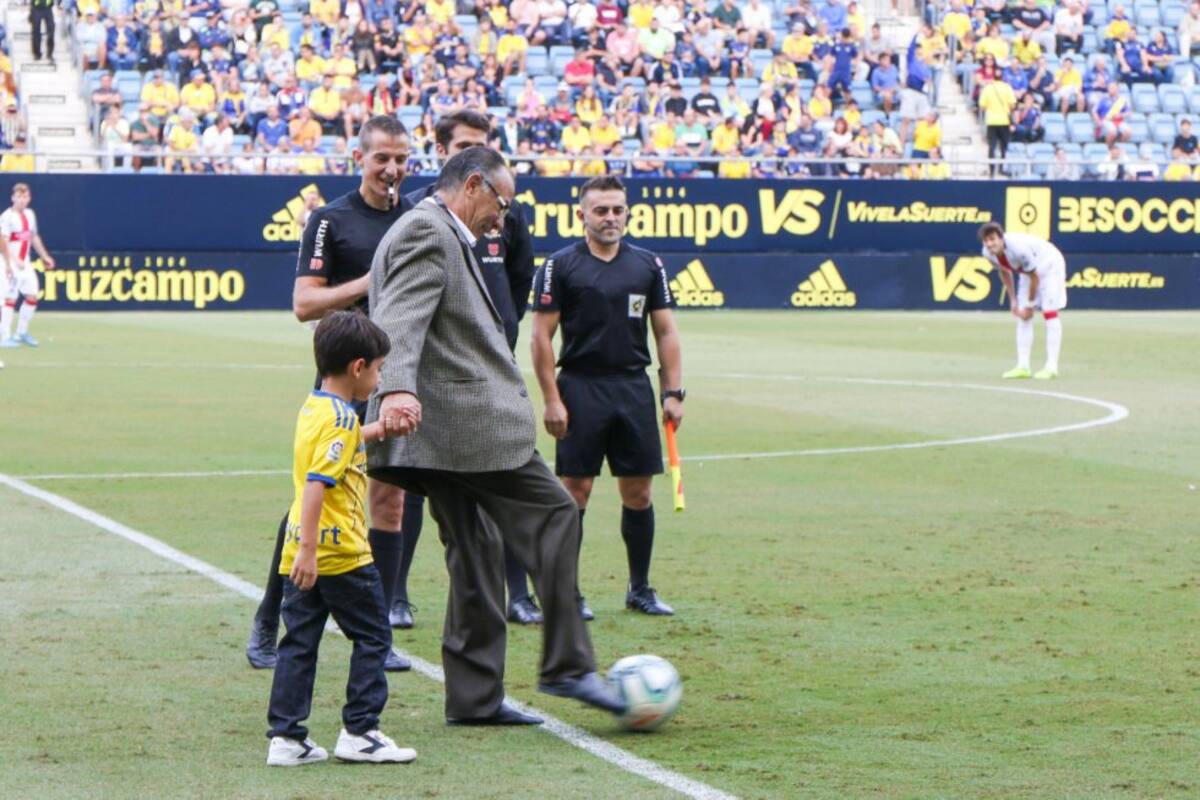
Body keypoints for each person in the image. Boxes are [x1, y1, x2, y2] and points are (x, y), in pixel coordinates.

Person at [367, 146, 625, 724]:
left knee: (477, 550)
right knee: (556, 512)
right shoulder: (428, 231)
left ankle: (474, 699)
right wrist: (396, 390)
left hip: (448, 433)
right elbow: (398, 321)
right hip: (466, 428)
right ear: (474, 185)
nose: (502, 220)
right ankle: (568, 666)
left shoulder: (440, 231)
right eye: (501, 205)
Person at [246, 116, 415, 673]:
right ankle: (269, 618)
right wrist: (371, 281)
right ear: (359, 158)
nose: (391, 169)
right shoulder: (329, 220)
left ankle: (378, 630)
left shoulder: (417, 218)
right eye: (381, 158)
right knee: (311, 498)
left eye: (400, 159)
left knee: (389, 502)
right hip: (344, 384)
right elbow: (304, 304)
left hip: (397, 375)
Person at [396, 109, 541, 628]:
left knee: (505, 476)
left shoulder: (508, 213)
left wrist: (500, 329)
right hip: (438, 371)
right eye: (462, 146)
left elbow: (520, 279)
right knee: (418, 482)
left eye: (483, 145)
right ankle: (397, 594)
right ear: (441, 151)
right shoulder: (417, 212)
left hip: (494, 366)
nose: (474, 154)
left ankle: (519, 593)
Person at [266, 310, 418, 767]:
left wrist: (381, 429)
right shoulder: (342, 420)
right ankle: (361, 731)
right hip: (339, 553)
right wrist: (312, 553)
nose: (380, 377)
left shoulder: (317, 407)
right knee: (374, 635)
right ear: (357, 367)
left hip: (300, 547)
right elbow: (317, 484)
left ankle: (286, 738)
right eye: (378, 368)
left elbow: (340, 443)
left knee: (299, 642)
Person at [530, 175, 684, 620]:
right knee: (575, 492)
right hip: (580, 387)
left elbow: (666, 331)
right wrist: (552, 399)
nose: (610, 218)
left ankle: (640, 589)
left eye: (618, 209)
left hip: (633, 388)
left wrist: (673, 392)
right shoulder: (560, 266)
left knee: (638, 492)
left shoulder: (648, 265)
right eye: (601, 210)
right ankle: (568, 592)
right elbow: (540, 338)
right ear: (582, 215)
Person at [978, 222, 1067, 380]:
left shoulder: (1018, 249)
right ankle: (1023, 366)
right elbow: (1004, 271)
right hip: (1028, 271)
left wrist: (1030, 305)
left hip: (1050, 264)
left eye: (992, 239)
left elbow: (1035, 276)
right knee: (1023, 316)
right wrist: (1013, 301)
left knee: (1049, 312)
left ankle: (1051, 367)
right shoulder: (987, 253)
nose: (989, 244)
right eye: (986, 241)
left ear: (1001, 238)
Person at [0, 184, 56, 349]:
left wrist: (44, 256)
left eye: (25, 197)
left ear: (29, 198)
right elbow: (3, 242)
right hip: (9, 263)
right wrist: (10, 262)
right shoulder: (7, 217)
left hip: (25, 263)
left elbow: (34, 237)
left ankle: (21, 333)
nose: (22, 200)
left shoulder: (30, 215)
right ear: (13, 198)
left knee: (32, 295)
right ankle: (4, 336)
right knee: (10, 299)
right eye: (19, 197)